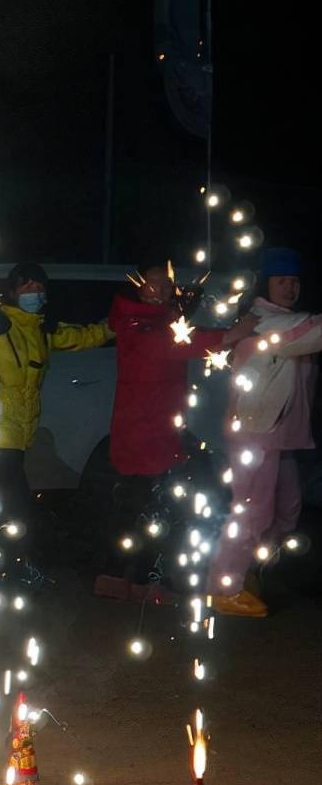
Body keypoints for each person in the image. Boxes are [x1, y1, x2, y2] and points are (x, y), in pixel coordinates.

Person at [94, 259, 256, 604]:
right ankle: (137, 580)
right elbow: (174, 344)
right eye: (155, 283)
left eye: (168, 284)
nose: (164, 290)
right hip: (143, 433)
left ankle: (123, 578)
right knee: (150, 507)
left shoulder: (158, 318)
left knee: (143, 507)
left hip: (157, 431)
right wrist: (230, 335)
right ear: (138, 286)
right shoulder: (138, 322)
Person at [0, 262, 112, 571]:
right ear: (12, 291)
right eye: (26, 286)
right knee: (15, 503)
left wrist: (113, 325)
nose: (34, 292)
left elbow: (81, 337)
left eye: (39, 288)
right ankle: (15, 564)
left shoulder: (39, 328)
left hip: (20, 433)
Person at [209, 248, 321, 616]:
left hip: (282, 434)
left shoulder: (285, 319)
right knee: (253, 512)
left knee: (287, 509)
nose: (290, 287)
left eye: (295, 281)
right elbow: (312, 333)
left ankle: (249, 568)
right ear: (266, 284)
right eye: (282, 280)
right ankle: (225, 586)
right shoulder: (263, 320)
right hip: (256, 434)